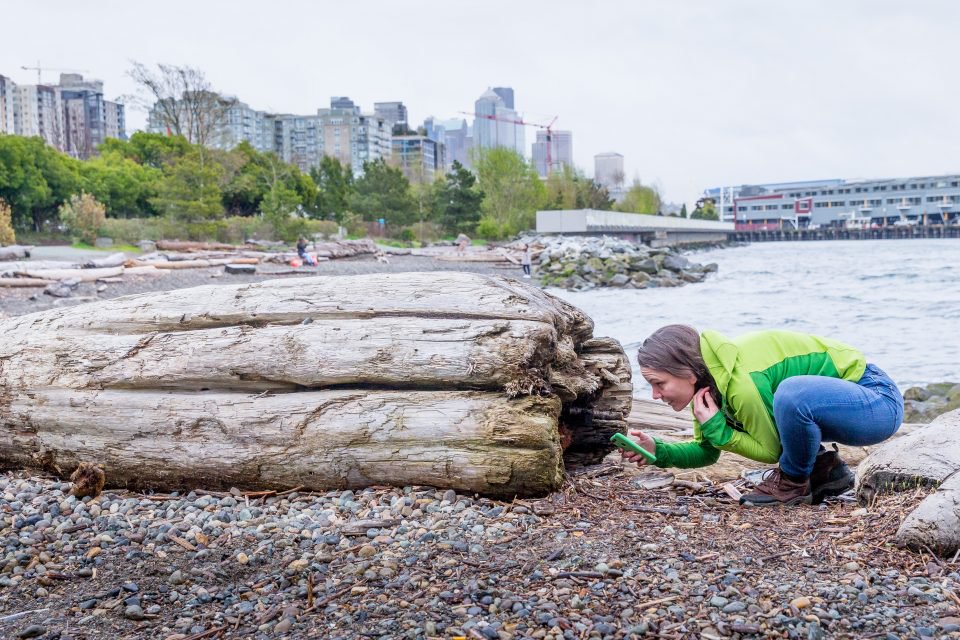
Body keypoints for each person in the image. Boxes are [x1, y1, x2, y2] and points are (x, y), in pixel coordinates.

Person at [623, 325, 904, 507]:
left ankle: (793, 484)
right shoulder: (710, 385)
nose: (655, 395)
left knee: (791, 394)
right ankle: (826, 471)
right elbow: (707, 452)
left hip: (876, 401)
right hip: (848, 406)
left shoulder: (741, 383)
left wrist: (721, 431)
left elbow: (771, 450)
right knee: (789, 400)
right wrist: (657, 450)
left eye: (659, 383)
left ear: (688, 373)